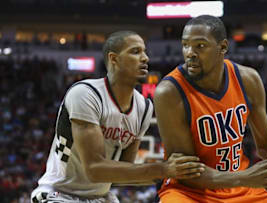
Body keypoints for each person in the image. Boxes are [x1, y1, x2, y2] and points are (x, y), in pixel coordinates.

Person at [31, 31, 205, 203]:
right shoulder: (85, 94)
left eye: (145, 52)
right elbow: (95, 169)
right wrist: (163, 168)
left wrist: (174, 175)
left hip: (101, 198)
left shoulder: (144, 108)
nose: (145, 58)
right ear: (114, 59)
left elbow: (122, 175)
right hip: (59, 194)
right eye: (135, 52)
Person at [154, 15, 267, 203]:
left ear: (223, 47)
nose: (190, 53)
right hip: (189, 191)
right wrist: (246, 178)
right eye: (185, 45)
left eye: (200, 46)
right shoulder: (169, 92)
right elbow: (186, 172)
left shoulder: (248, 79)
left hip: (240, 187)